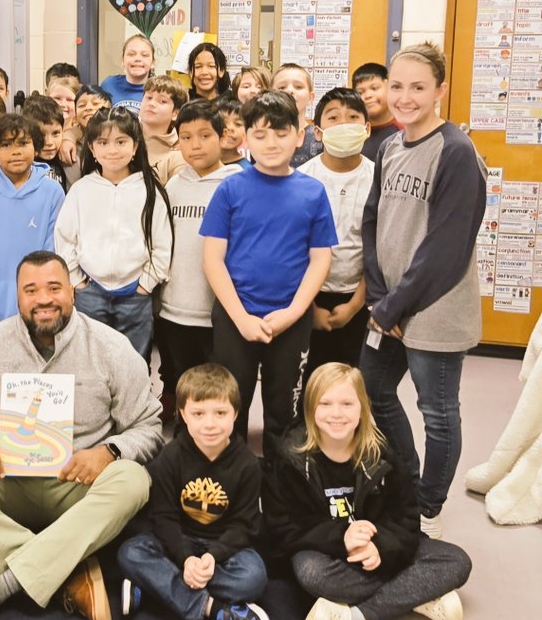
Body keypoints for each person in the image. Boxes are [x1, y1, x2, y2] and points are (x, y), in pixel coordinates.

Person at [0, 251, 163, 620]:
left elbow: (149, 426)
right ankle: (64, 572)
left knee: (133, 480)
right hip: (4, 483)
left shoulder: (112, 348)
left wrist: (108, 452)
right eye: (31, 290)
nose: (43, 299)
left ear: (72, 292)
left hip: (76, 487)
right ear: (17, 297)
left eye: (53, 288)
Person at [360, 43, 486, 538]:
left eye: (417, 87)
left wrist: (394, 304)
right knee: (373, 389)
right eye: (397, 86)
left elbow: (446, 248)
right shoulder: (391, 147)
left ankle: (428, 506)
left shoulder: (456, 151)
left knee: (437, 411)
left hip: (434, 308)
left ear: (440, 91)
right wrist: (377, 296)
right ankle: (408, 482)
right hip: (389, 304)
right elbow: (372, 222)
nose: (405, 97)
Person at [263, 363, 472, 620]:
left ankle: (353, 617)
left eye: (347, 403)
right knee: (311, 574)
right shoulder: (290, 456)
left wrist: (381, 549)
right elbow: (282, 528)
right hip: (326, 554)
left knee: (456, 560)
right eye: (325, 403)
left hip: (377, 549)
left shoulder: (382, 453)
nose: (336, 413)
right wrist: (342, 538)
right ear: (310, 408)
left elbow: (407, 518)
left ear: (362, 408)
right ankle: (418, 595)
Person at [202, 90, 336, 456]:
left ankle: (282, 497)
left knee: (285, 413)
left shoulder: (313, 192)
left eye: (280, 133)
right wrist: (242, 318)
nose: (271, 143)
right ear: (245, 138)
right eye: (260, 134)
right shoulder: (230, 188)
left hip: (291, 321)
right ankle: (235, 488)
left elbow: (320, 259)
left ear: (299, 134)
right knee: (231, 406)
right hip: (236, 317)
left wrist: (293, 313)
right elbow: (213, 260)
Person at [118, 364, 273, 620]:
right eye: (198, 413)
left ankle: (156, 586)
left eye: (220, 413)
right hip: (177, 542)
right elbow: (163, 517)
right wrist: (186, 558)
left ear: (236, 414)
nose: (210, 424)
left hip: (223, 549)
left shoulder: (248, 465)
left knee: (254, 577)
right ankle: (215, 611)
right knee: (130, 553)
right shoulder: (170, 457)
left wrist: (212, 557)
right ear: (182, 415)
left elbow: (245, 525)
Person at [55, 107, 173, 358]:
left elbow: (162, 244)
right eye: (103, 142)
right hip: (91, 292)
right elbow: (65, 239)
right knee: (90, 360)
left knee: (134, 363)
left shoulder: (149, 190)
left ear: (135, 146)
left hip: (135, 295)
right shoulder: (81, 190)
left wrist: (146, 284)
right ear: (92, 149)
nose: (112, 150)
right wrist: (78, 282)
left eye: (121, 142)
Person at [156, 101, 242, 417]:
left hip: (216, 313)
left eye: (205, 135)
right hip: (174, 308)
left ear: (223, 137)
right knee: (182, 384)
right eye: (186, 136)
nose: (195, 145)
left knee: (218, 388)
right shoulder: (176, 183)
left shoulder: (236, 184)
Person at [298, 88, 374, 392]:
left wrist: (356, 304)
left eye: (353, 118)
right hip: (307, 297)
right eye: (333, 118)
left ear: (367, 129)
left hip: (361, 295)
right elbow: (295, 249)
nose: (344, 125)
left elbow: (379, 250)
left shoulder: (378, 177)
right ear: (318, 132)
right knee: (308, 378)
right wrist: (310, 305)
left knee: (352, 379)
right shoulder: (302, 179)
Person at [0, 114, 65, 333]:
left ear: (36, 148)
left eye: (23, 143)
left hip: (39, 309)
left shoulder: (52, 192)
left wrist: (41, 295)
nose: (15, 151)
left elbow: (53, 250)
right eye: (6, 145)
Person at [58, 84, 112, 182]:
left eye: (95, 103)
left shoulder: (117, 140)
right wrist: (67, 137)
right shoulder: (69, 143)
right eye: (81, 105)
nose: (88, 108)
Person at [141, 75, 188, 183]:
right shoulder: (124, 136)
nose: (151, 103)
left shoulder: (180, 151)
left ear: (175, 113)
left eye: (162, 101)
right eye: (148, 97)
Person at [272, 64, 320, 167]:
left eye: (298, 87)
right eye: (282, 87)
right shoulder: (265, 136)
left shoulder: (319, 137)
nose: (290, 91)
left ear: (311, 97)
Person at [352, 62, 400, 160]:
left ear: (390, 87)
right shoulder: (352, 132)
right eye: (360, 92)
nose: (368, 95)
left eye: (374, 88)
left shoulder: (404, 131)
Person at [23, 93, 70, 191]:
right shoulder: (22, 165)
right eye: (41, 134)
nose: (49, 142)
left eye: (56, 133)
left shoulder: (65, 159)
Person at [100, 34, 154, 113]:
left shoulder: (159, 90)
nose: (138, 59)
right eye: (131, 54)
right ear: (122, 60)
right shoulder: (109, 84)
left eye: (144, 55)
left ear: (153, 62)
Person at [215, 96, 253, 171]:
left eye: (238, 124)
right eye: (223, 122)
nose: (230, 128)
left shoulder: (245, 170)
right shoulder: (204, 165)